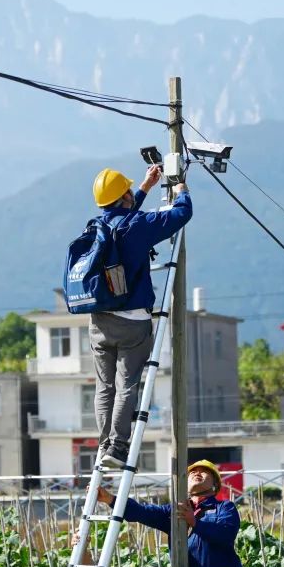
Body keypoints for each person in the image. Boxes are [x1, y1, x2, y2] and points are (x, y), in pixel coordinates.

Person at [89, 164, 192, 469]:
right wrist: (182, 191)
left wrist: (145, 187)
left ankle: (105, 443)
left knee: (104, 388)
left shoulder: (96, 226)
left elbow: (121, 219)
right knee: (126, 386)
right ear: (124, 196)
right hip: (132, 322)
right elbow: (181, 214)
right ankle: (118, 447)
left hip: (98, 321)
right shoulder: (139, 225)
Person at [92, 459, 243, 567]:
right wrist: (110, 499)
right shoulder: (174, 510)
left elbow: (226, 534)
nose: (197, 473)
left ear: (215, 484)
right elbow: (141, 512)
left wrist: (195, 522)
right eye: (193, 472)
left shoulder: (224, 507)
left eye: (204, 471)